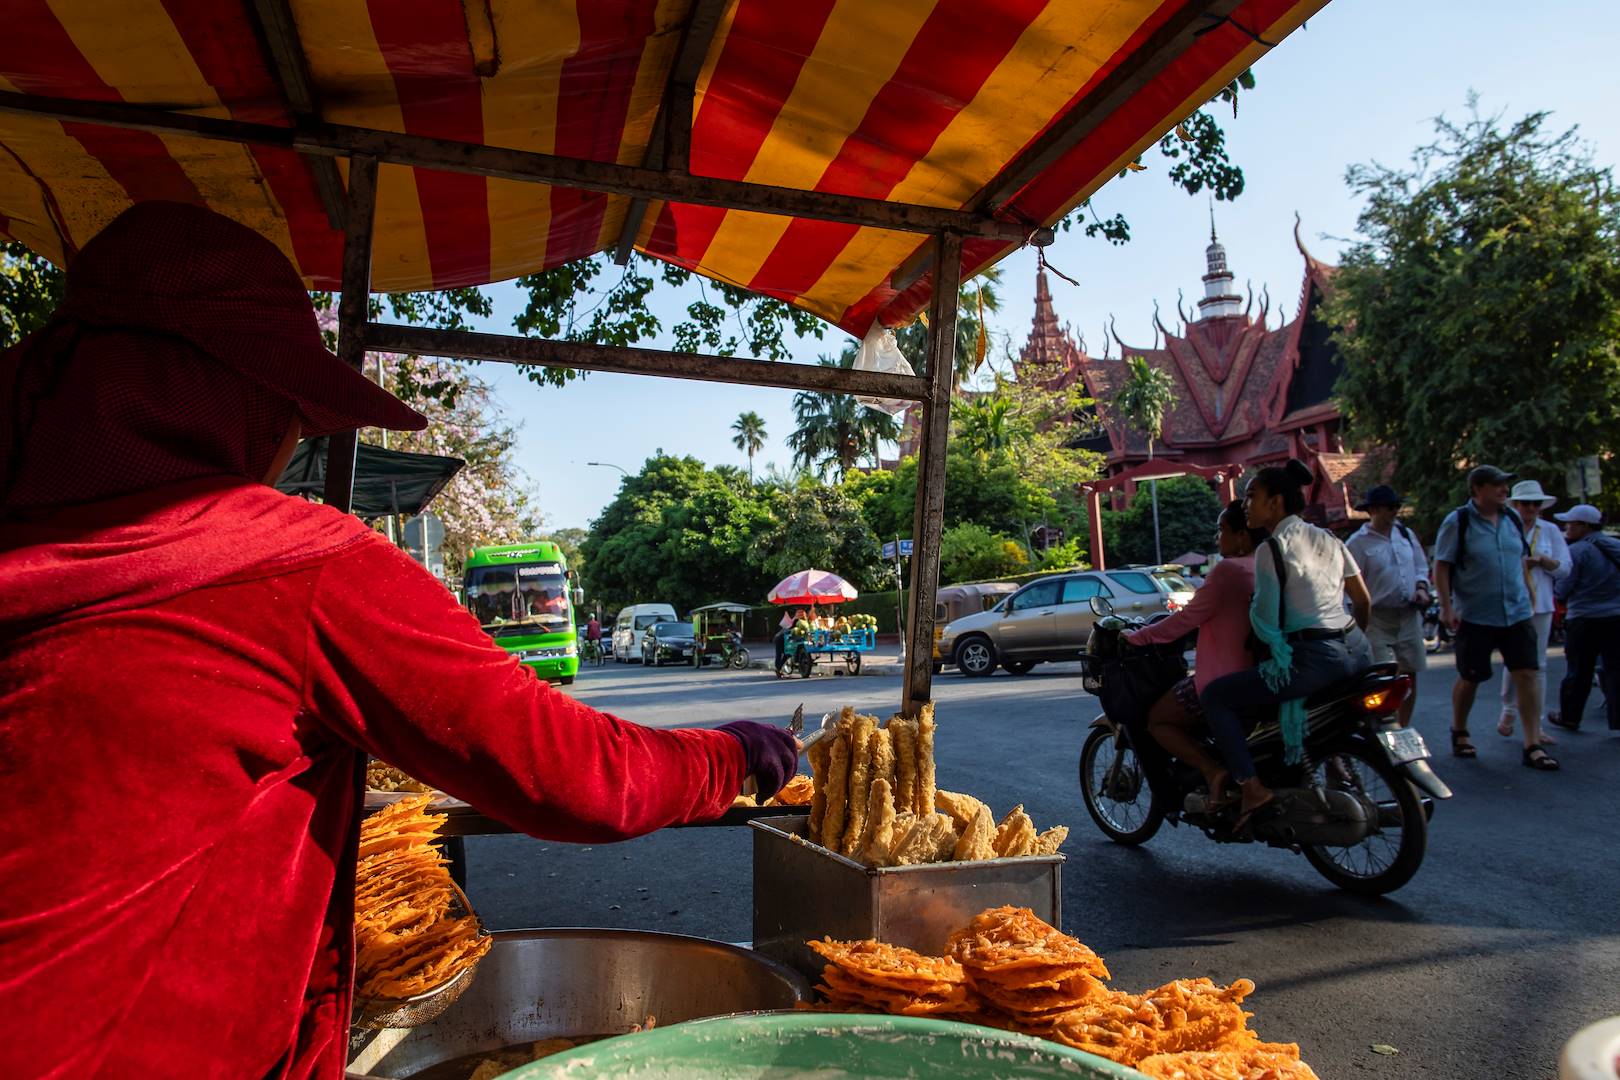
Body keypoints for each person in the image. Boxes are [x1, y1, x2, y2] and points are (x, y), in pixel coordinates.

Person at [0, 202, 799, 1079]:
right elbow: (574, 774)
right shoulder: (287, 566)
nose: (288, 447)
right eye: (290, 414)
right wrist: (732, 754)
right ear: (238, 402)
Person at [1199, 460, 1375, 829]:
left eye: (1252, 496)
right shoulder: (1330, 539)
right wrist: (1347, 640)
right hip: (1358, 650)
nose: (1246, 504)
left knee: (1216, 696)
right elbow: (1362, 602)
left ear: (1275, 502)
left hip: (1315, 658)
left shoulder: (1273, 548)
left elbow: (1264, 620)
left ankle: (1251, 787)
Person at [1123, 500, 1266, 802]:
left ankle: (1211, 770)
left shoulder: (1228, 570)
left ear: (1242, 535)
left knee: (1158, 720)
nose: (1218, 537)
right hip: (1259, 674)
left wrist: (1137, 637)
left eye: (1222, 530)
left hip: (1219, 680)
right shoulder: (1266, 565)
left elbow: (1186, 620)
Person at [1433, 465, 1557, 769]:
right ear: (1478, 489)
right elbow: (1442, 565)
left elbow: (1520, 558)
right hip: (1477, 614)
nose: (1504, 490)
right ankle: (1460, 730)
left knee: (1527, 673)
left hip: (1516, 611)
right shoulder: (1458, 521)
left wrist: (1528, 592)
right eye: (1497, 484)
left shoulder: (1511, 517)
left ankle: (1532, 744)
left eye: (1505, 485)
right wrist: (1447, 607)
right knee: (1471, 676)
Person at [1345, 485, 1431, 728]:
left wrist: (1422, 587)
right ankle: (1385, 725)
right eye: (1389, 507)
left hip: (1408, 613)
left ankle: (1403, 727)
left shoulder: (1405, 534)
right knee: (1382, 676)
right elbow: (1349, 585)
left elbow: (1421, 566)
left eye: (1396, 506)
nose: (1395, 512)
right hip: (1377, 617)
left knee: (1410, 672)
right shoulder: (1357, 544)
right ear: (1373, 510)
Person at [1496, 480, 1570, 739]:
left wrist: (1542, 561)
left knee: (1538, 664)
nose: (1530, 508)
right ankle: (1508, 709)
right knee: (1514, 660)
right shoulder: (1503, 527)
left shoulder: (1549, 530)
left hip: (1541, 604)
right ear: (1515, 505)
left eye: (1535, 504)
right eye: (1525, 503)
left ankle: (1536, 725)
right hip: (1510, 603)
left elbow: (1565, 568)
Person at [1550, 505, 1620, 732]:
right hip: (1616, 616)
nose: (1566, 527)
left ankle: (1570, 716)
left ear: (1584, 526)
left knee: (1579, 669)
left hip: (1584, 618)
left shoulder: (1577, 551)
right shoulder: (1616, 546)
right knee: (1615, 669)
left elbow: (1563, 588)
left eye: (1570, 523)